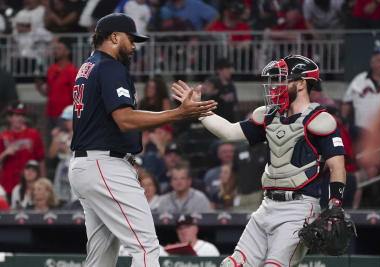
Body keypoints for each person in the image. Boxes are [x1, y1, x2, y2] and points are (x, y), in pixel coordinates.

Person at [68, 13, 217, 267]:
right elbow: (125, 119)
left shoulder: (88, 66)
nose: (134, 46)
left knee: (101, 255)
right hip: (105, 165)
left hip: (88, 165)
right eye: (131, 39)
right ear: (114, 37)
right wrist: (179, 113)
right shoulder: (109, 66)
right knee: (146, 246)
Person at [172, 55, 347, 267]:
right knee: (232, 264)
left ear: (301, 83)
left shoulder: (321, 120)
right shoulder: (270, 116)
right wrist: (199, 110)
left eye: (283, 79)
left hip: (300, 207)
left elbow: (337, 165)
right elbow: (229, 131)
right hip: (267, 205)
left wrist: (335, 205)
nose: (276, 86)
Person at [0, 102, 45, 198]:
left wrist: (42, 180)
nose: (20, 118)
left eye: (22, 115)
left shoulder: (34, 134)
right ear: (10, 117)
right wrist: (5, 153)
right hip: (8, 184)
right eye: (16, 115)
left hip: (30, 184)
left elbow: (41, 160)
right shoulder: (3, 136)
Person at [35, 37, 78, 135]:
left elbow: (76, 95)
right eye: (55, 48)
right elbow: (49, 93)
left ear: (67, 52)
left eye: (59, 48)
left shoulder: (72, 71)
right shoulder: (51, 69)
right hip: (50, 113)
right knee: (49, 141)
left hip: (65, 115)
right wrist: (39, 87)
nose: (56, 51)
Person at [49, 105, 74, 205]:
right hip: (62, 169)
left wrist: (68, 149)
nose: (66, 123)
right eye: (65, 120)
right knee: (61, 197)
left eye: (69, 119)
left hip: (75, 167)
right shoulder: (62, 135)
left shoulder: (83, 135)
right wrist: (55, 139)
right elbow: (51, 155)